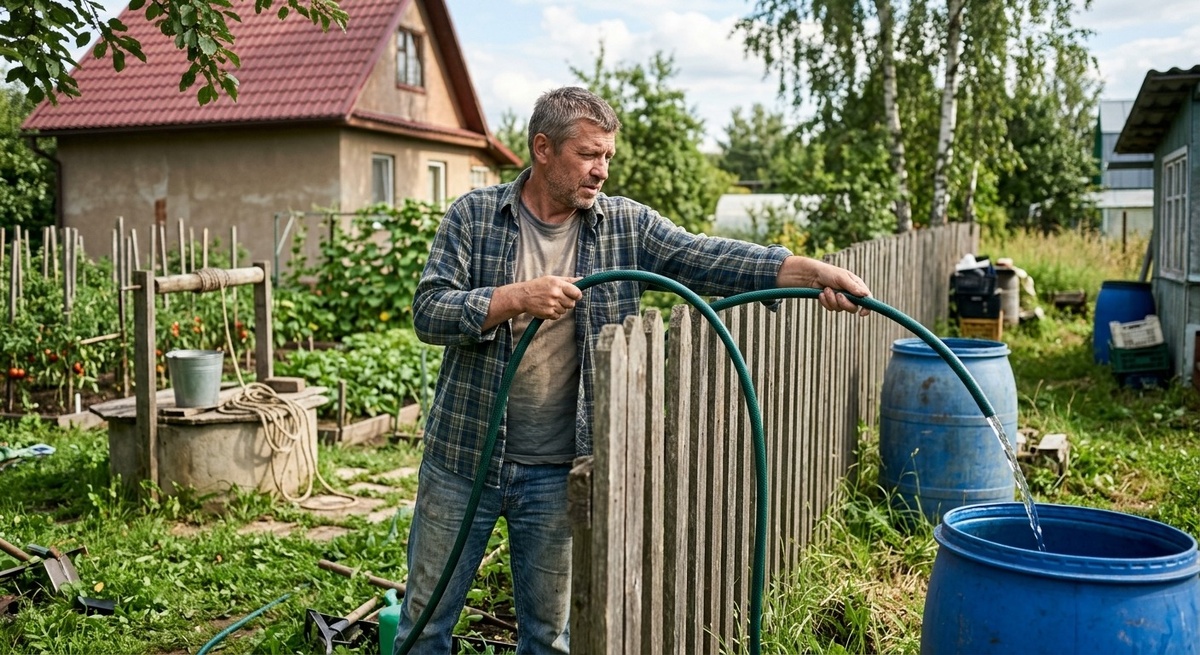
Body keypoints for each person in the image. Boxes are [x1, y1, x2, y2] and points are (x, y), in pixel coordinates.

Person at [400, 86, 872, 654]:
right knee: (424, 628)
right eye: (589, 155)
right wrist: (514, 297)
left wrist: (807, 271)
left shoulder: (624, 226)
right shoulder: (474, 217)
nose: (602, 171)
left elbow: (705, 256)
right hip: (463, 460)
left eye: (608, 157)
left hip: (558, 472)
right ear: (542, 149)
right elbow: (429, 311)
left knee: (547, 639)